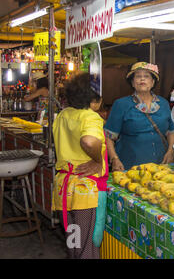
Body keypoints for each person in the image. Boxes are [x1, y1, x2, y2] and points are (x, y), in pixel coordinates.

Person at [52, 72, 107, 259]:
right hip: (84, 192)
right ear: (94, 100)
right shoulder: (90, 117)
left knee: (73, 240)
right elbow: (89, 142)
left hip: (64, 189)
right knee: (87, 247)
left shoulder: (63, 114)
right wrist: (98, 161)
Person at [104, 62, 174, 171]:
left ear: (152, 82)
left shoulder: (163, 103)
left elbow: (171, 131)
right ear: (133, 83)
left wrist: (171, 151)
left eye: (146, 76)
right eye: (138, 76)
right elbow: (109, 137)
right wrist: (114, 159)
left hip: (161, 165)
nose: (142, 79)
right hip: (130, 166)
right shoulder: (121, 104)